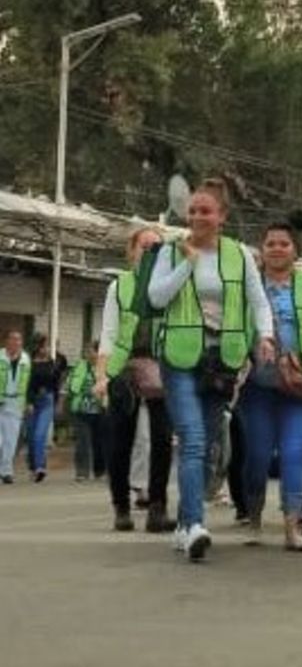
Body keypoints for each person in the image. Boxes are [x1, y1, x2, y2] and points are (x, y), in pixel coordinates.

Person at [148, 177, 275, 561]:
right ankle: (195, 525)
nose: (198, 217)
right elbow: (156, 297)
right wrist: (187, 263)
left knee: (207, 445)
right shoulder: (171, 251)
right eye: (193, 210)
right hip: (179, 357)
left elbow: (258, 301)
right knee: (193, 440)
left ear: (222, 215)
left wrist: (265, 337)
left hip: (221, 360)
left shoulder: (239, 255)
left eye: (206, 210)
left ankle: (186, 525)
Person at [241, 219, 302, 551]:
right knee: (257, 455)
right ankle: (253, 515)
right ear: (262, 248)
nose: (277, 249)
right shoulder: (248, 285)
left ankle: (291, 526)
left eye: (284, 243)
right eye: (270, 243)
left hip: (300, 387)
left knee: (295, 453)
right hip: (256, 386)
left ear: (295, 250)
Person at [95, 225, 174, 532]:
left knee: (162, 441)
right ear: (132, 251)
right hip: (125, 368)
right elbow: (109, 335)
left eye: (157, 247)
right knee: (120, 440)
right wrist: (102, 377)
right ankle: (121, 507)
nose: (150, 251)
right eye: (144, 246)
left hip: (161, 367)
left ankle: (157, 507)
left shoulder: (170, 288)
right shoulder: (119, 286)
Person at [63, 342, 108, 482]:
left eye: (91, 351)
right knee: (83, 442)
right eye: (87, 351)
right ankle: (82, 472)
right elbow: (70, 384)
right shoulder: (80, 366)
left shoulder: (106, 367)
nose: (89, 354)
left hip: (100, 410)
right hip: (81, 409)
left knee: (100, 443)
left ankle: (100, 471)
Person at [22, 334, 59, 482]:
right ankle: (33, 466)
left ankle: (40, 468)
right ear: (37, 347)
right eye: (43, 346)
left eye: (47, 346)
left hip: (47, 401)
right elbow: (27, 384)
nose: (46, 349)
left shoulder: (52, 363)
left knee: (40, 435)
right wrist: (28, 402)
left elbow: (56, 385)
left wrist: (57, 402)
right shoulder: (28, 362)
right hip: (32, 401)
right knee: (31, 438)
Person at [1, 329, 30, 484]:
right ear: (6, 341)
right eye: (13, 339)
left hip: (15, 403)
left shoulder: (25, 359)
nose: (16, 343)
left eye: (18, 340)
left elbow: (27, 382)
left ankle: (6, 472)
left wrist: (26, 402)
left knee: (10, 441)